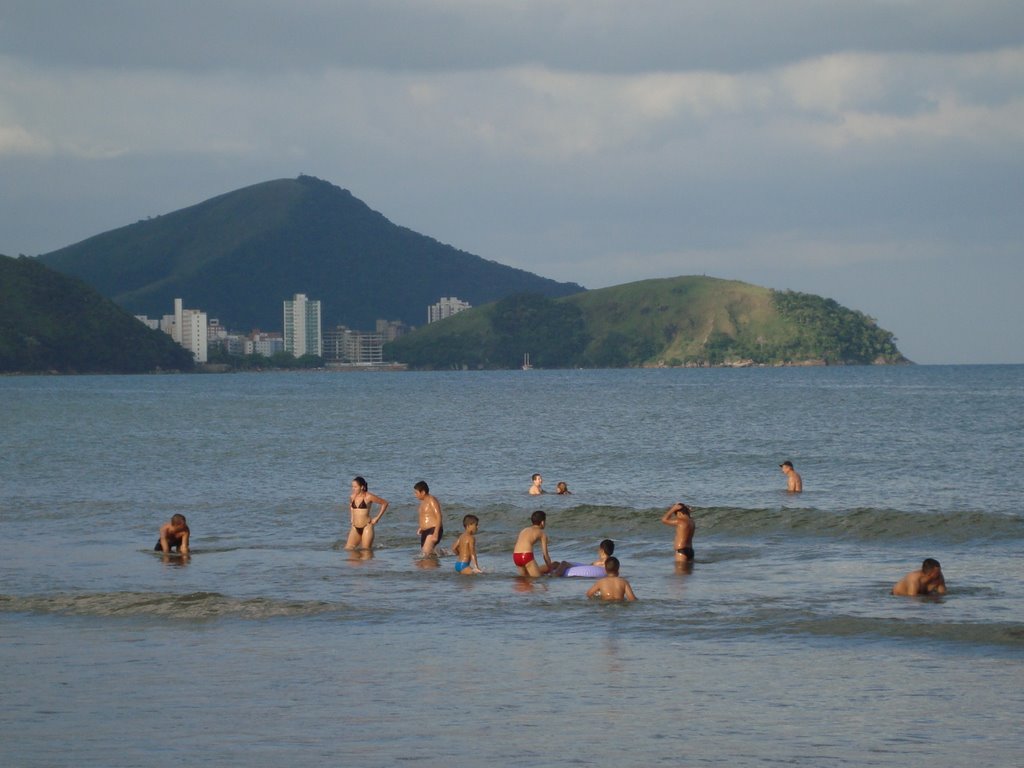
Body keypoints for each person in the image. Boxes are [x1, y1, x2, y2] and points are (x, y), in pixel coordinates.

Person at [345, 476, 389, 550]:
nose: (353, 489)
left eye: (355, 487)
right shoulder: (352, 497)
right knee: (348, 549)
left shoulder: (368, 496)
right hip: (355, 527)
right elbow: (351, 506)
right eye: (352, 487)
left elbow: (384, 503)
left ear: (362, 487)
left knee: (366, 551)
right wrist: (352, 517)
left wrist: (377, 518)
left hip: (367, 526)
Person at [512, 510, 554, 577]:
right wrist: (551, 570)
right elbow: (545, 555)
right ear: (542, 522)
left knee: (525, 581)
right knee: (538, 579)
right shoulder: (542, 534)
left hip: (516, 556)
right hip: (526, 555)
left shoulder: (524, 530)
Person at [414, 480, 444, 557]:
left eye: (416, 493)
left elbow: (439, 516)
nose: (415, 495)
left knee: (425, 555)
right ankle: (442, 554)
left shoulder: (432, 500)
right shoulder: (423, 502)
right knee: (425, 557)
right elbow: (425, 516)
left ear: (423, 492)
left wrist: (436, 533)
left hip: (433, 530)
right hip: (425, 531)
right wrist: (421, 527)